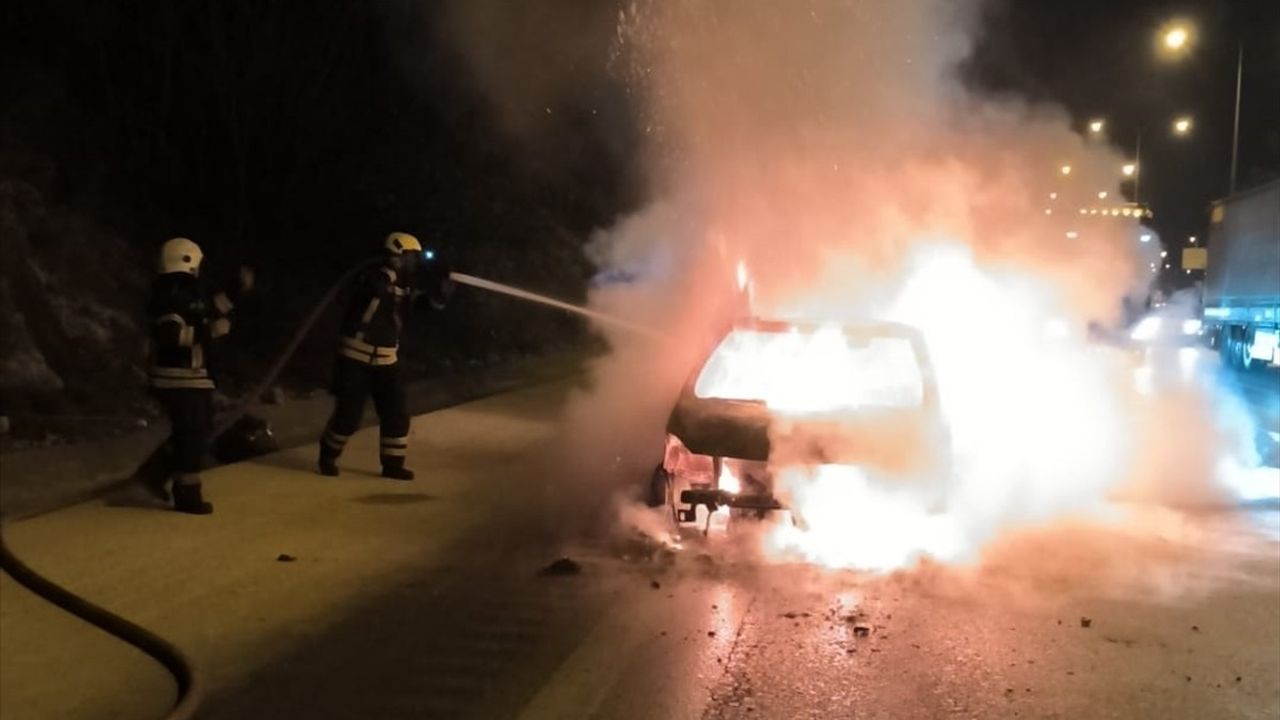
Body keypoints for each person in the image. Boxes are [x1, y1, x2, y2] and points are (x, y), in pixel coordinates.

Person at [318, 232, 451, 479]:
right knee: (348, 416)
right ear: (397, 254)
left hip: (387, 360)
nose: (414, 262)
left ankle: (393, 464)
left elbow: (419, 305)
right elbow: (365, 292)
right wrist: (383, 279)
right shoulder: (372, 276)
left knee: (397, 413)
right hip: (354, 358)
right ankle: (328, 454)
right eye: (410, 256)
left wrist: (439, 296)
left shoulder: (403, 285)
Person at [146, 237, 253, 514]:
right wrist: (210, 333)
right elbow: (169, 334)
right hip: (178, 377)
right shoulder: (172, 294)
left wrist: (236, 290)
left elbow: (210, 308)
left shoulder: (183, 291)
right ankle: (187, 493)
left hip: (190, 376)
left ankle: (153, 475)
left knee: (195, 431)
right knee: (194, 434)